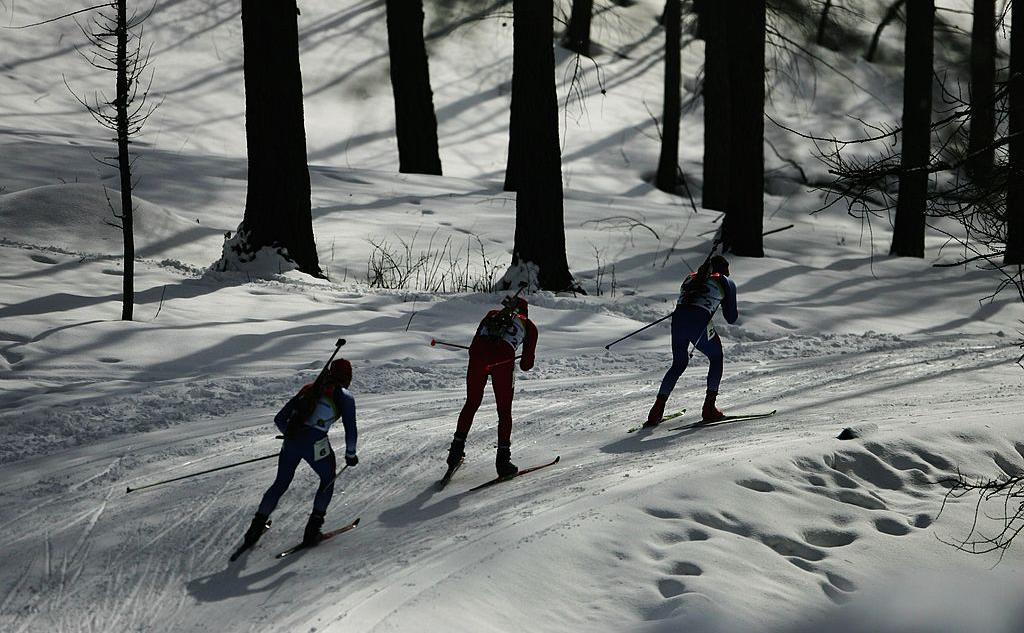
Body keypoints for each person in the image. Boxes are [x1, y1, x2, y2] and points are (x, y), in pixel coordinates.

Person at [241, 358, 358, 549]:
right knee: (327, 479)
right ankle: (312, 531)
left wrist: (292, 435)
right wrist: (350, 454)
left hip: (291, 441)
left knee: (280, 483)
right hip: (316, 442)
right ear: (348, 377)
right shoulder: (344, 396)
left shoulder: (309, 389)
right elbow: (351, 430)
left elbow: (279, 418)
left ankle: (254, 530)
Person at [447, 296, 538, 477]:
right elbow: (526, 365)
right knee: (504, 411)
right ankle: (503, 462)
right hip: (502, 360)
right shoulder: (529, 326)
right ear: (525, 312)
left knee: (471, 403)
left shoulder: (492, 314)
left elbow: (474, 344)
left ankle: (455, 453)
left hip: (478, 356)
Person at [646, 254, 738, 426]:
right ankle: (709, 408)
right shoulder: (725, 281)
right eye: (727, 270)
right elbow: (731, 318)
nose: (729, 274)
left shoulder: (691, 277)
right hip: (699, 322)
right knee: (716, 357)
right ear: (723, 269)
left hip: (678, 320)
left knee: (678, 364)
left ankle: (656, 412)